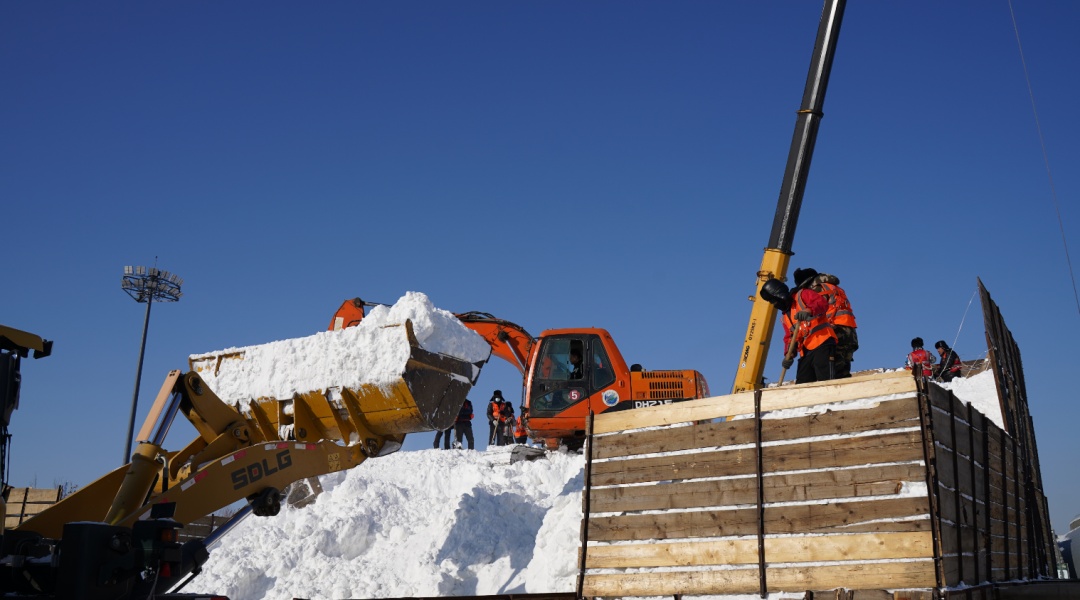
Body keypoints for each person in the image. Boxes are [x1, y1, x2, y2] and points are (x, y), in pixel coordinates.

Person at [759, 268, 838, 384]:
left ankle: (832, 401)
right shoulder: (786, 316)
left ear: (779, 295)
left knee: (825, 379)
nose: (774, 304)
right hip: (806, 351)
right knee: (802, 382)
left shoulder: (802, 294)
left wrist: (809, 310)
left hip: (822, 342)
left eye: (773, 300)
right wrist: (788, 355)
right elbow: (789, 337)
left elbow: (821, 303)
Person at [807, 270, 858, 378]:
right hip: (850, 331)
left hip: (836, 328)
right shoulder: (838, 289)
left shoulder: (820, 288)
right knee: (845, 366)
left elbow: (817, 306)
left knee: (834, 366)